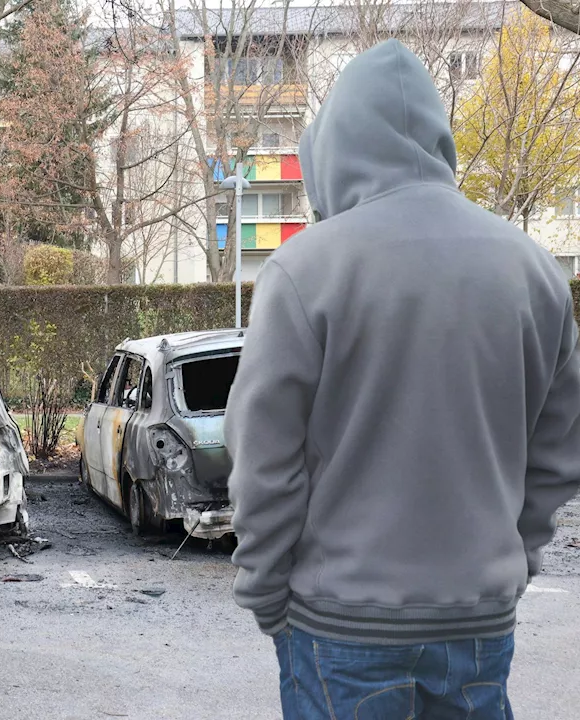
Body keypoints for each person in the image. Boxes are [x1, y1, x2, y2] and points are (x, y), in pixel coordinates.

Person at [225, 39, 580, 719]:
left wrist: (267, 592)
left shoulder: (307, 271)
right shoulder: (534, 271)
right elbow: (560, 454)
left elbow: (264, 462)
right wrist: (510, 561)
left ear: (333, 150)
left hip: (339, 626)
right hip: (477, 624)